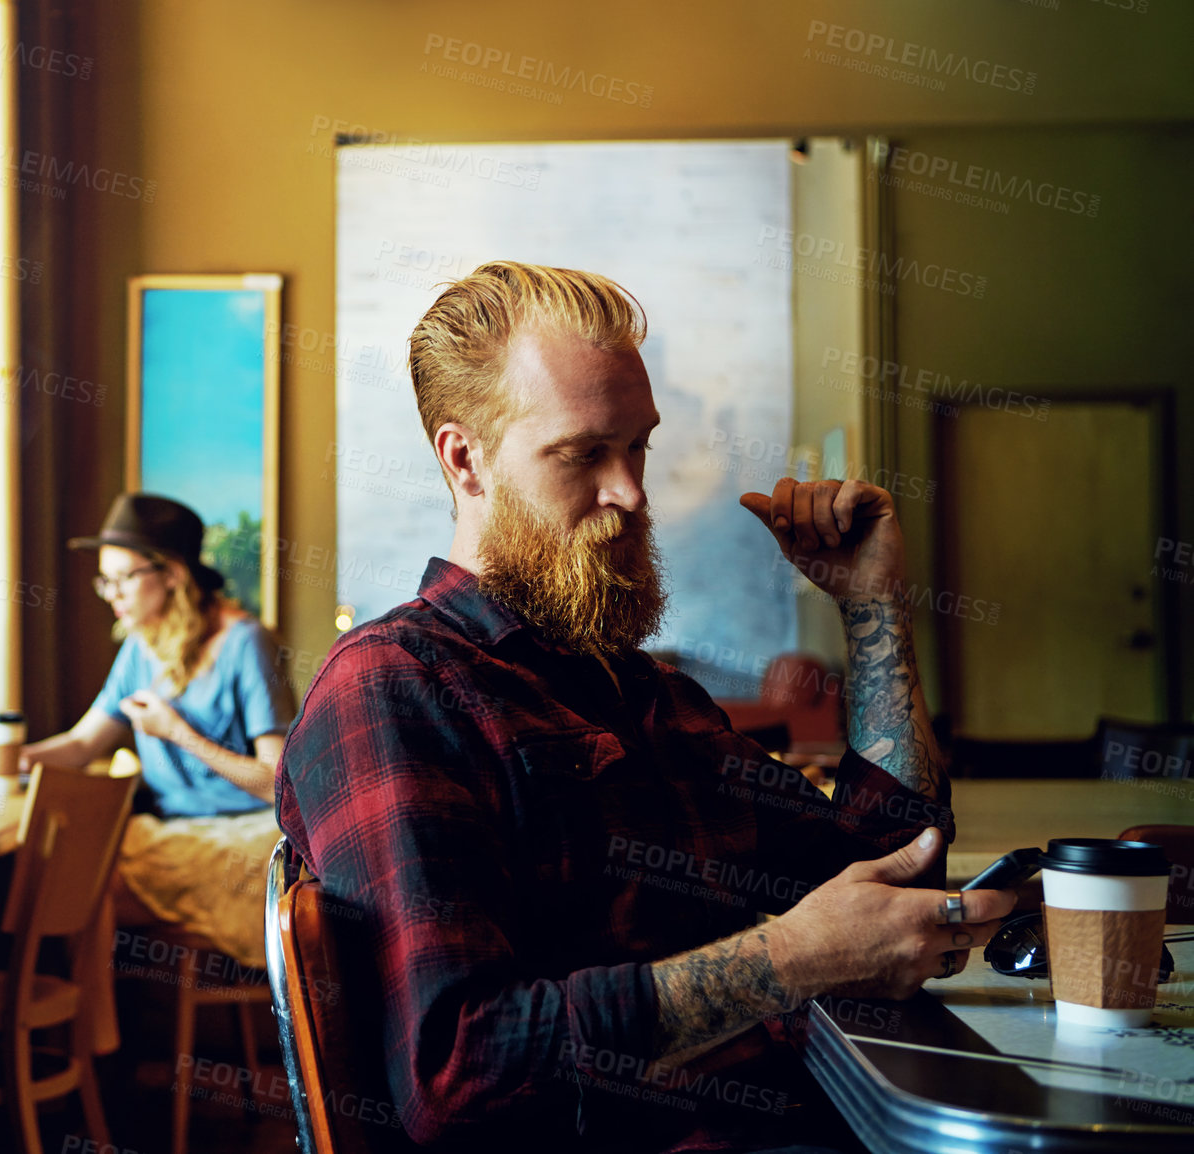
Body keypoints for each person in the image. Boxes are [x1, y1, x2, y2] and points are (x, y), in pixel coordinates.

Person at [275, 262, 1016, 1153]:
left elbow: (894, 879)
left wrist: (870, 609)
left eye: (639, 447)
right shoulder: (395, 690)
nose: (631, 492)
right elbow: (461, 1074)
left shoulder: (651, 694)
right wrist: (791, 959)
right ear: (463, 457)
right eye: (584, 453)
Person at [20, 492, 294, 965]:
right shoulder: (139, 648)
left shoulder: (245, 642)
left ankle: (90, 1035)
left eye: (124, 578)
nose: (113, 594)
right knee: (74, 865)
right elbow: (84, 743)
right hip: (175, 828)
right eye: (105, 581)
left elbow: (278, 784)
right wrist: (16, 758)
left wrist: (177, 732)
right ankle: (93, 1034)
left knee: (83, 877)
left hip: (245, 832)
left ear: (171, 574)